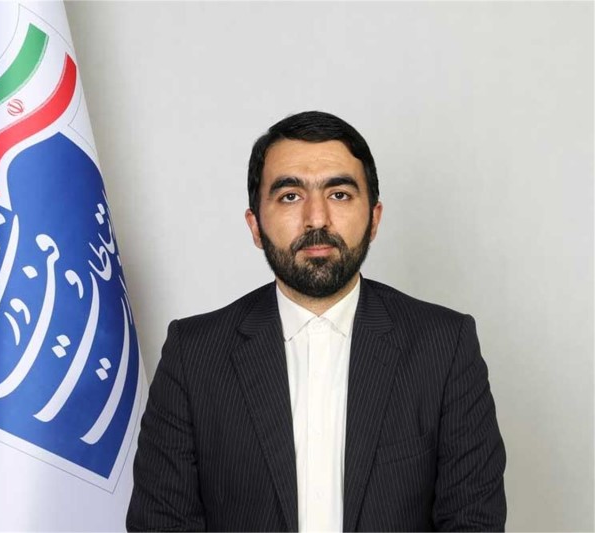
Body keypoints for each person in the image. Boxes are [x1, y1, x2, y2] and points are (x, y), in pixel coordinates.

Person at [127, 111, 506, 532]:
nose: (317, 218)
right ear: (255, 226)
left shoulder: (445, 347)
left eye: (339, 194)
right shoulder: (193, 355)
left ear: (374, 218)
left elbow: (473, 521)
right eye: (290, 196)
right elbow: (161, 525)